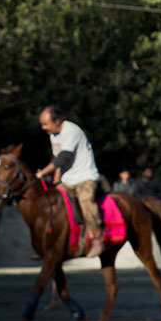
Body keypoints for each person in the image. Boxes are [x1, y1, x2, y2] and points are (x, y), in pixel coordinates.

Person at [38, 105, 102, 256]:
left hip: (85, 177)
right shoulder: (53, 135)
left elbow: (64, 156)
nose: (43, 127)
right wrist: (57, 176)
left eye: (45, 124)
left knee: (86, 201)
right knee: (52, 203)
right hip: (68, 179)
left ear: (58, 121)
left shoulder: (71, 130)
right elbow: (58, 158)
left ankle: (97, 238)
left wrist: (42, 173)